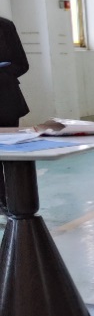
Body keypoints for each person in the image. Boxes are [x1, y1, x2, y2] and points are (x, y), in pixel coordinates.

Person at [0, 17, 31, 213]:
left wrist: (3, 73)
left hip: (5, 100)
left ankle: (14, 202)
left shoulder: (5, 26)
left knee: (9, 154)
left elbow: (22, 64)